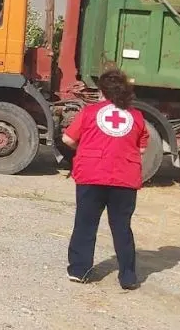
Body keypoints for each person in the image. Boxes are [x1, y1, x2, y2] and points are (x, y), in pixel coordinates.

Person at [61, 68, 148, 290]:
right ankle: (128, 276)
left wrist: (87, 147)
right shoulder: (137, 117)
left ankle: (79, 270)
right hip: (124, 179)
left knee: (85, 224)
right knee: (121, 227)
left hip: (91, 175)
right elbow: (142, 150)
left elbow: (68, 138)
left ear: (102, 91)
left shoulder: (90, 112)